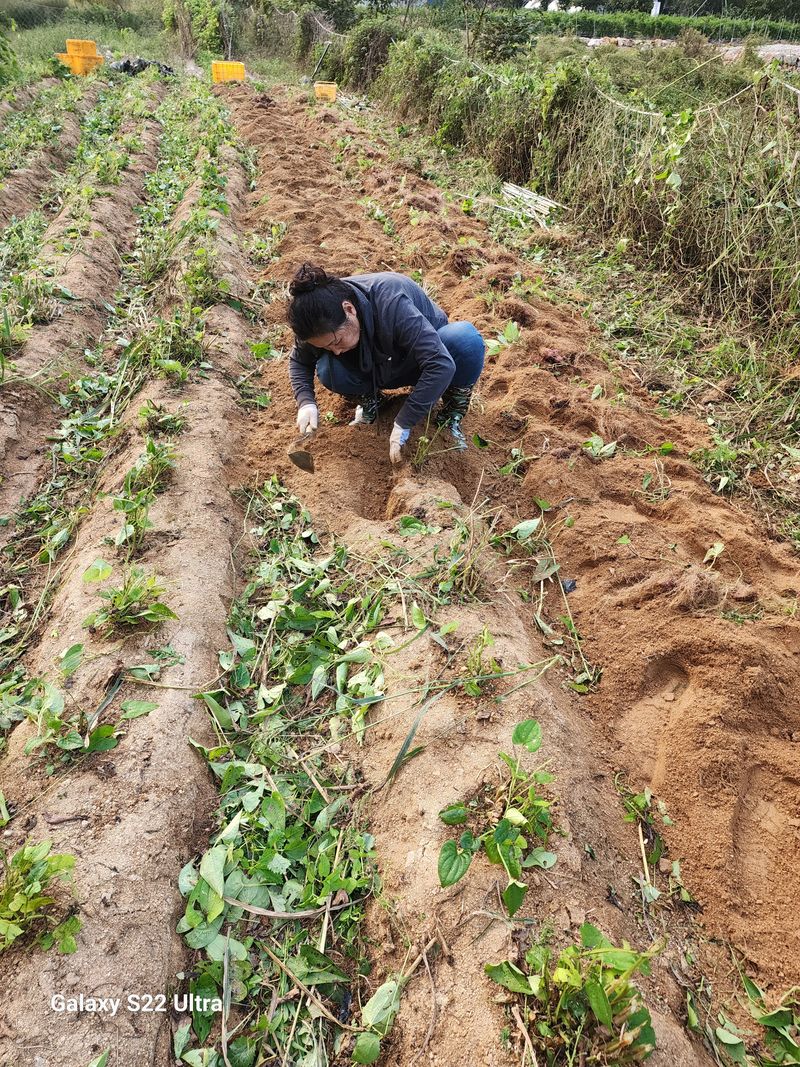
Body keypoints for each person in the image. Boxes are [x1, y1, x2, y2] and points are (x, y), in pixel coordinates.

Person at [286, 263, 485, 464]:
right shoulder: (314, 320)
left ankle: (451, 417)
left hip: (418, 361)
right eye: (326, 347)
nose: (335, 351)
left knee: (465, 341)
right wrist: (306, 403)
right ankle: (372, 403)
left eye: (336, 341)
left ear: (349, 309)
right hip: (373, 367)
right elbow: (299, 361)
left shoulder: (390, 301)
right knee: (328, 369)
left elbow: (439, 363)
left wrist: (404, 422)